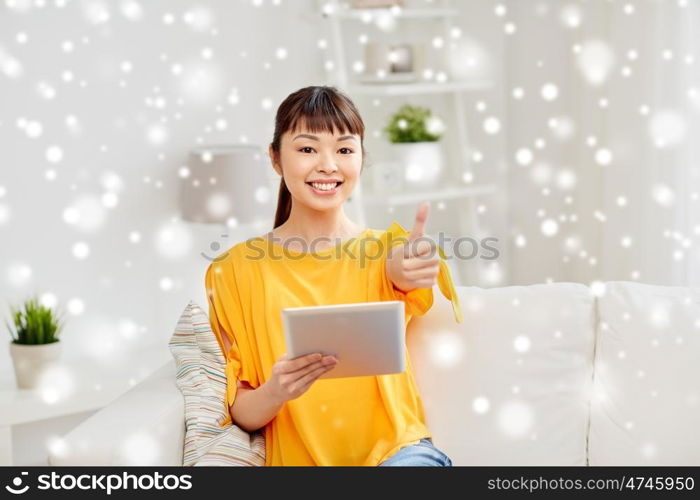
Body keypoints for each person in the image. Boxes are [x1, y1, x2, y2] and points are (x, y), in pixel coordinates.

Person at [205, 85, 462, 466]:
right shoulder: (232, 271)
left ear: (361, 158)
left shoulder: (387, 249)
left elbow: (402, 272)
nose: (328, 165)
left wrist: (410, 268)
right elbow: (241, 410)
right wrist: (276, 390)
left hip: (399, 455)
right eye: (307, 149)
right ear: (275, 158)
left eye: (344, 149)